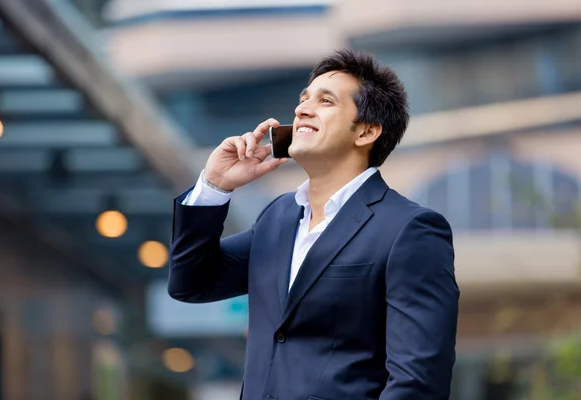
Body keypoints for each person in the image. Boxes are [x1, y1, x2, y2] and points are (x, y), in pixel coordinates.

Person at [168, 50, 459, 400]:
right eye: (303, 99)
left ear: (367, 131)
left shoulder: (410, 230)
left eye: (325, 101)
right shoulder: (277, 218)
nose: (302, 109)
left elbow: (418, 383)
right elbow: (190, 283)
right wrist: (214, 186)